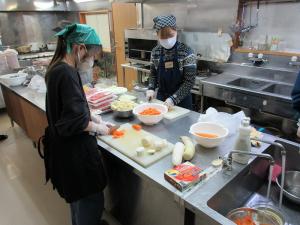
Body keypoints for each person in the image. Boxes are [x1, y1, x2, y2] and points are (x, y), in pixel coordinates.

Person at [44, 24, 112, 225]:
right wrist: (98, 127)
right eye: (91, 55)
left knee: (77, 200)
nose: (92, 60)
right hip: (75, 155)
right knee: (90, 201)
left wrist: (91, 115)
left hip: (63, 152)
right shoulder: (67, 73)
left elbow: (68, 108)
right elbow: (73, 122)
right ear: (79, 48)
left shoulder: (56, 68)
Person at [146, 15, 197, 110]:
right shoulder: (155, 52)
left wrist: (173, 99)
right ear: (157, 35)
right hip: (161, 99)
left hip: (182, 102)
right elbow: (153, 74)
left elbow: (189, 82)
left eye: (170, 35)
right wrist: (151, 88)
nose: (168, 40)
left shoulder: (186, 52)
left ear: (176, 31)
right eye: (163, 37)